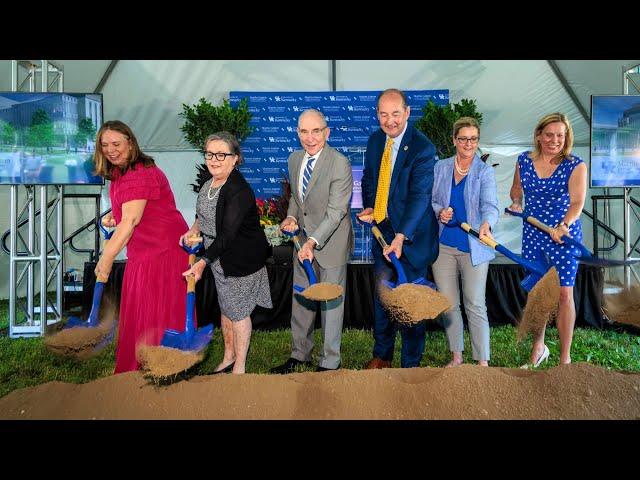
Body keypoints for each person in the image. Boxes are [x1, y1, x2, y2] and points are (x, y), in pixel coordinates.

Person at [93, 120, 191, 374]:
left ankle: (162, 370)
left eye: (116, 144)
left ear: (130, 143)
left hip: (164, 251)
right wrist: (116, 216)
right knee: (140, 312)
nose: (111, 150)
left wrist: (105, 259)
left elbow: (132, 220)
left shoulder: (139, 172)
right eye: (105, 145)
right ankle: (136, 372)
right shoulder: (119, 172)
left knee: (156, 314)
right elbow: (132, 212)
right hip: (143, 252)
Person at [357, 88, 439, 369]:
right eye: (383, 114)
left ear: (407, 113)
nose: (389, 120)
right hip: (383, 234)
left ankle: (410, 365)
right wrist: (370, 207)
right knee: (383, 297)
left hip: (411, 238)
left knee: (410, 304)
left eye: (395, 113)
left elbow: (419, 197)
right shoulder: (375, 140)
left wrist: (402, 236)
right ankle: (382, 356)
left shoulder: (422, 148)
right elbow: (369, 179)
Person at [181, 132, 272, 375]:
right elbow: (202, 216)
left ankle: (239, 367)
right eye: (210, 154)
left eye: (222, 154)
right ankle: (228, 357)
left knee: (239, 313)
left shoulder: (238, 190)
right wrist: (192, 231)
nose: (214, 159)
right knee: (226, 309)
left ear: (235, 159)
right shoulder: (209, 184)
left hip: (241, 259)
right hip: (219, 259)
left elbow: (227, 235)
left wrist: (202, 262)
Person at [270, 109, 353, 374]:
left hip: (330, 244)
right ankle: (300, 354)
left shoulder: (339, 163)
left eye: (316, 131)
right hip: (302, 243)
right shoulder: (294, 159)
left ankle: (330, 361)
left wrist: (313, 242)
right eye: (304, 131)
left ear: (326, 132)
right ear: (297, 133)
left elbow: (336, 212)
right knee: (302, 298)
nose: (310, 137)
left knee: (330, 303)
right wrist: (292, 218)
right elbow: (297, 198)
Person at [509, 112, 587, 367]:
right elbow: (517, 189)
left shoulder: (575, 164)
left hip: (563, 236)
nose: (555, 140)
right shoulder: (524, 161)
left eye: (561, 136)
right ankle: (539, 348)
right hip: (534, 235)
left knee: (564, 294)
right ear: (539, 136)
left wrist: (563, 225)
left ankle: (565, 359)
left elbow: (577, 202)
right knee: (540, 294)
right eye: (550, 135)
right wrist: (517, 203)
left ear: (567, 138)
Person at [431, 117, 499, 367]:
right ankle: (456, 357)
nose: (468, 143)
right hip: (444, 247)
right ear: (454, 140)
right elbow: (433, 200)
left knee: (475, 304)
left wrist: (486, 224)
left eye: (473, 139)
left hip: (474, 248)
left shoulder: (485, 172)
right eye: (463, 139)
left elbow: (491, 206)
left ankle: (482, 362)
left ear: (477, 141)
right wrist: (440, 212)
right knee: (449, 305)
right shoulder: (441, 168)